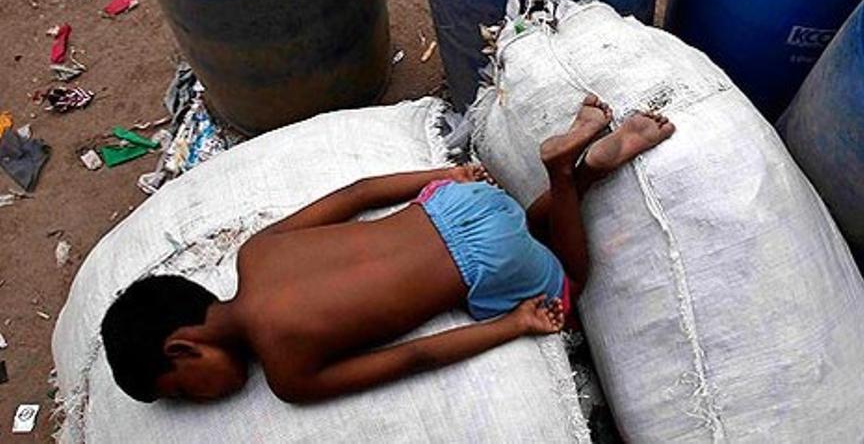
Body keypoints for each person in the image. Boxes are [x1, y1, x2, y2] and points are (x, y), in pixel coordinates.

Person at [100, 96, 674, 404]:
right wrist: (447, 175)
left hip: (479, 266)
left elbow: (414, 358)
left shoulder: (288, 373)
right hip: (449, 206)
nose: (203, 402)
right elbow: (357, 195)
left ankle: (569, 173)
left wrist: (516, 325)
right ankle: (582, 170)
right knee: (525, 228)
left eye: (185, 394)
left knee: (569, 282)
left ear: (182, 350)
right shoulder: (255, 253)